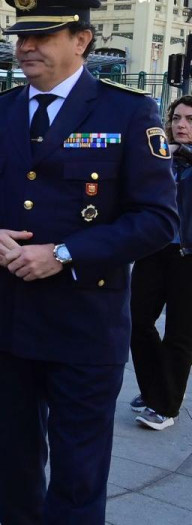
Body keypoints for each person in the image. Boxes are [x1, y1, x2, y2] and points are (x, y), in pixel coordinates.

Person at [0, 1, 177, 522]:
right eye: (21, 37)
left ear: (82, 40)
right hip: (8, 328)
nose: (26, 47)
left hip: (85, 328)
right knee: (16, 470)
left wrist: (65, 253)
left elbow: (159, 219)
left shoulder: (126, 111)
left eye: (44, 36)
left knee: (77, 481)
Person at [129, 95, 192, 431]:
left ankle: (165, 406)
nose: (181, 125)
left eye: (190, 120)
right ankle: (154, 386)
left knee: (180, 334)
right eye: (177, 118)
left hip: (188, 258)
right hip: (154, 251)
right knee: (136, 321)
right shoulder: (160, 155)